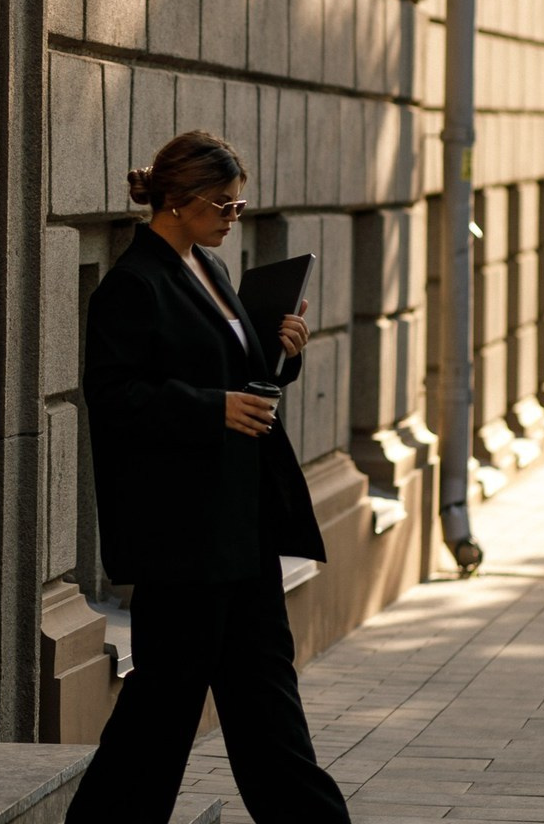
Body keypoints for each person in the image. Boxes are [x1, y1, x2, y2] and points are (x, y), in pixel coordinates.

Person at [65, 130, 352, 824]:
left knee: (265, 701)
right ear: (177, 202)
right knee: (162, 709)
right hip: (185, 535)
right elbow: (113, 397)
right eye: (223, 205)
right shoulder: (132, 287)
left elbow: (242, 378)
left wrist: (282, 355)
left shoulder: (211, 270)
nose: (234, 217)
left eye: (239, 203)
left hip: (240, 525)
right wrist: (212, 408)